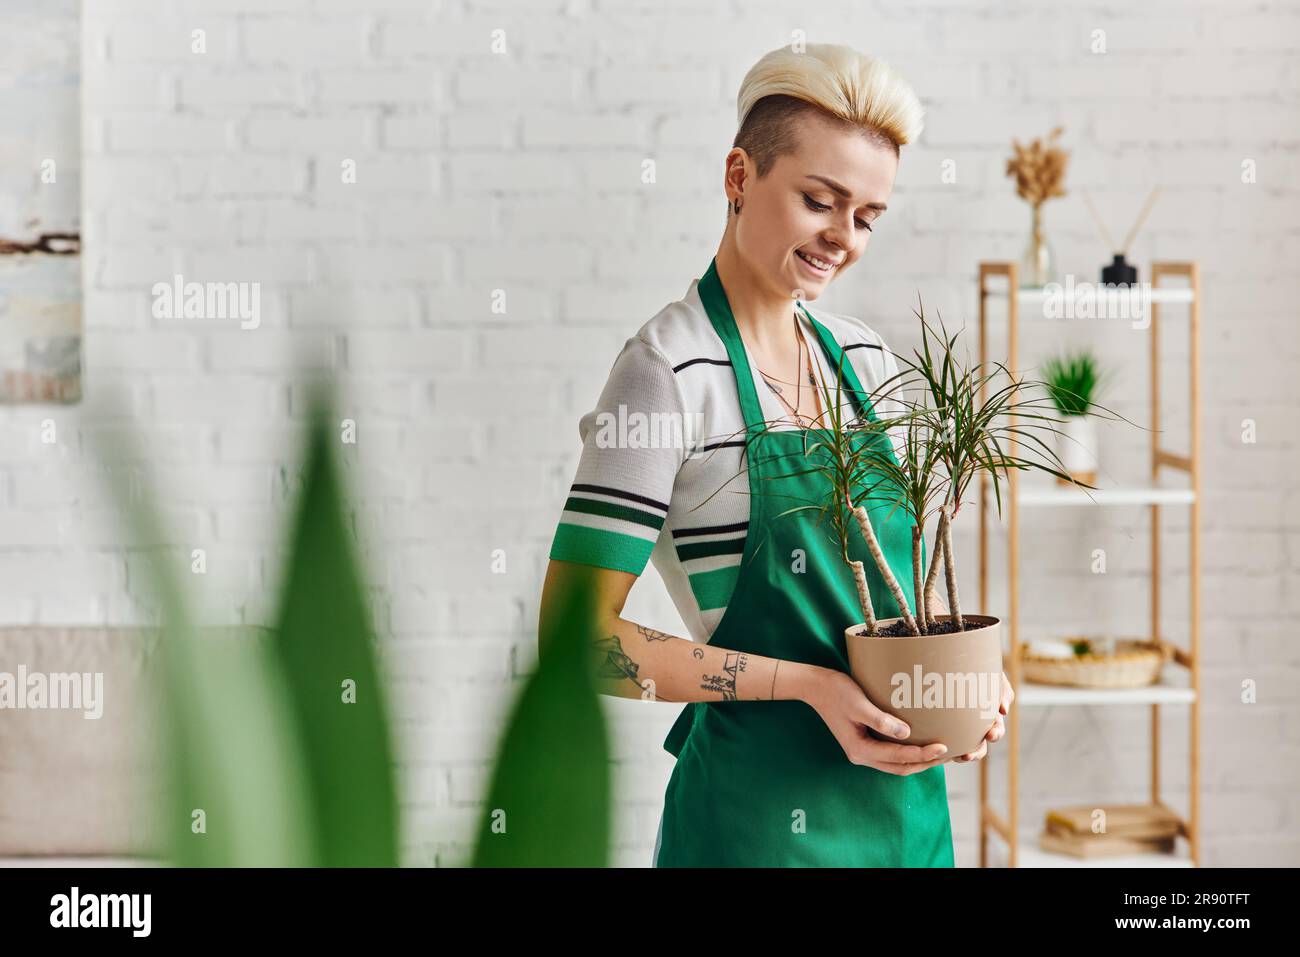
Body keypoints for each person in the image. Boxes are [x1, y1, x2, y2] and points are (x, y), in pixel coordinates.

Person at [538, 42, 1012, 867]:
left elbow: (900, 610)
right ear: (738, 177)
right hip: (756, 829)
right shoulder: (667, 374)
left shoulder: (865, 363)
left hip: (910, 826)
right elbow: (574, 637)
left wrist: (962, 683)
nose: (844, 238)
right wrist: (808, 687)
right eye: (820, 200)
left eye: (867, 217)